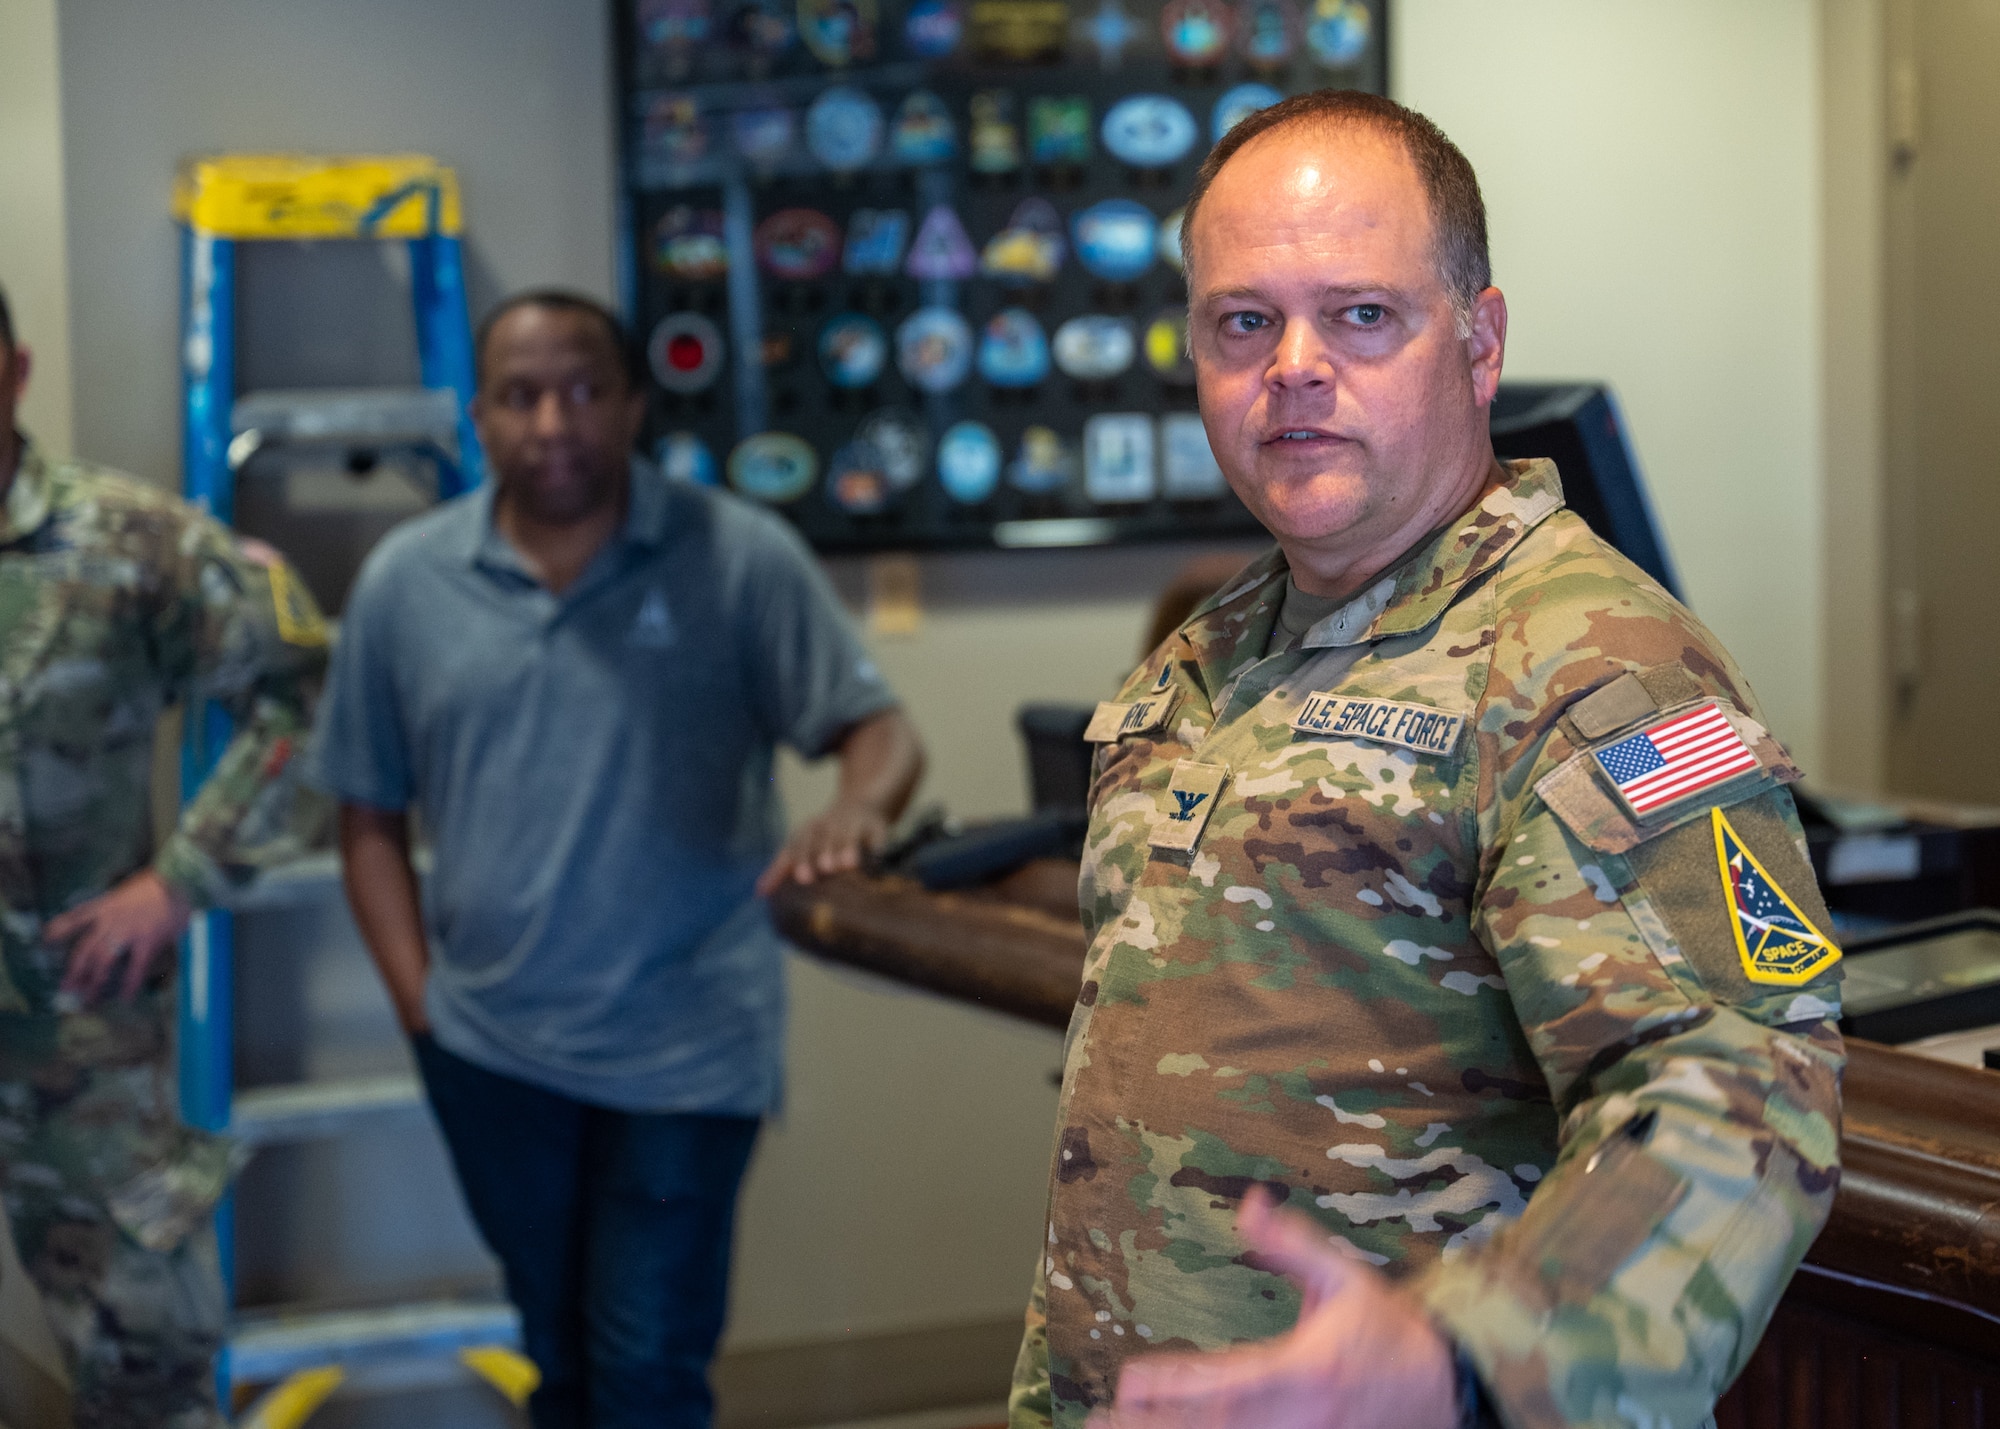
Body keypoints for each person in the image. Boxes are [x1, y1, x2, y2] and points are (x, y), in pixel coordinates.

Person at [1008, 92, 1844, 1429]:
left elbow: (1739, 1096)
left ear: (1481, 341)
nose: (1292, 365)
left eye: (1361, 315)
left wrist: (1465, 1355)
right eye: (1244, 321)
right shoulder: (1204, 656)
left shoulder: (1588, 662)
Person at [311, 291, 923, 1429]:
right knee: (562, 1357)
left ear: (633, 404)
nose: (555, 421)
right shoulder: (407, 583)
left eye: (585, 389)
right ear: (476, 418)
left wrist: (855, 806)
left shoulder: (736, 557)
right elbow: (366, 817)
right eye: (521, 395)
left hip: (684, 1048)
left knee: (645, 1370)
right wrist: (420, 1008)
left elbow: (876, 729)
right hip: (489, 1049)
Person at [0, 283, 329, 1426]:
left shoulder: (133, 544)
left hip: (71, 1041)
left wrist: (179, 880)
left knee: (148, 1363)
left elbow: (306, 700)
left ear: (15, 373)